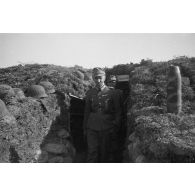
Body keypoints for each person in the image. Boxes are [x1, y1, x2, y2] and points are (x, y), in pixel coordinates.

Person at [83, 68, 122, 163]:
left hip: (107, 127)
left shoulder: (112, 93)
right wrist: (85, 128)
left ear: (104, 77)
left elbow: (118, 111)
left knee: (105, 152)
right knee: (92, 151)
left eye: (100, 77)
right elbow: (87, 111)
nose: (98, 80)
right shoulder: (89, 93)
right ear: (93, 78)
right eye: (95, 78)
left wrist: (116, 125)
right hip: (92, 126)